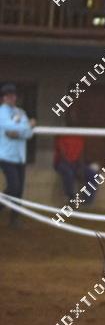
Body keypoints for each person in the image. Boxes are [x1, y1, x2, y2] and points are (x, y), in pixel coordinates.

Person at [0, 83, 35, 227]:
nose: (12, 97)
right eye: (9, 95)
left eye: (14, 95)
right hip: (6, 156)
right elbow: (8, 127)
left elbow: (28, 134)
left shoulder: (20, 112)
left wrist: (19, 132)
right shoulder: (2, 112)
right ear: (3, 97)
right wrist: (27, 126)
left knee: (19, 189)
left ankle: (14, 219)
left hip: (20, 156)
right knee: (14, 187)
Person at [53, 132, 97, 204]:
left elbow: (81, 154)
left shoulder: (80, 136)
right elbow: (62, 153)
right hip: (62, 163)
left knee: (93, 175)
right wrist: (72, 166)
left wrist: (80, 167)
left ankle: (87, 201)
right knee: (69, 173)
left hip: (76, 164)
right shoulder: (62, 135)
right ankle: (71, 198)